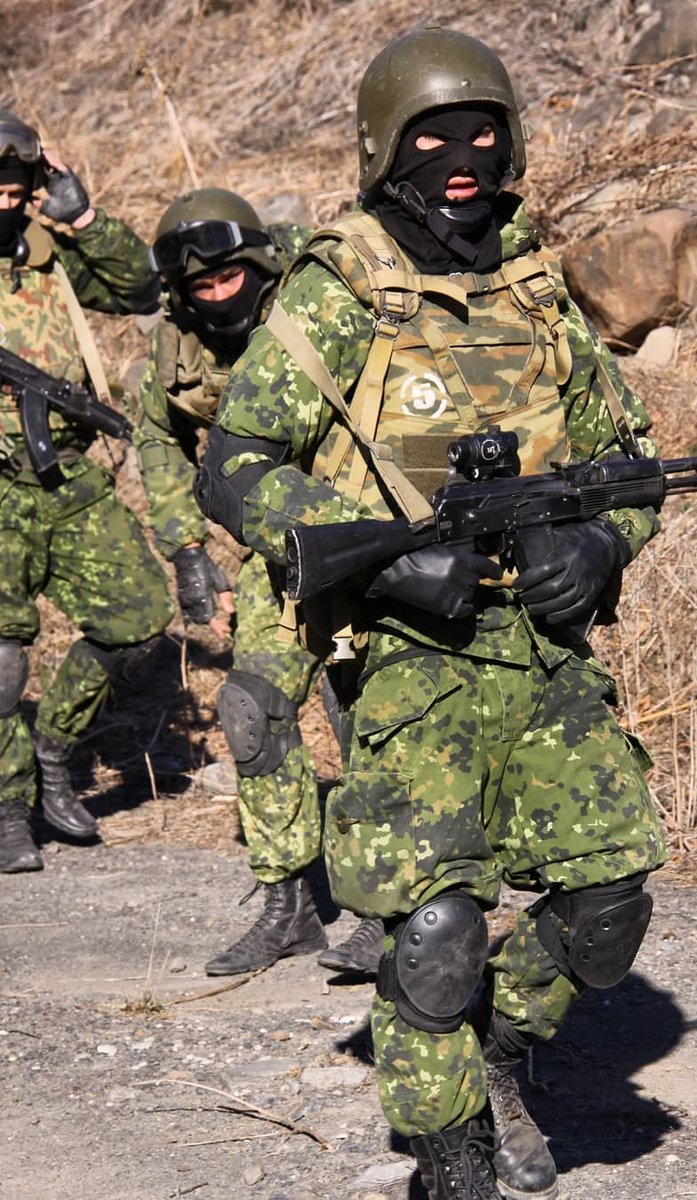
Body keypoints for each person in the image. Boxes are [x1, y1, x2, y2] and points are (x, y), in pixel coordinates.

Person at [196, 25, 668, 1200]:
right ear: (382, 147)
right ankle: (448, 1153)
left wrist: (600, 543)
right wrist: (382, 567)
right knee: (438, 932)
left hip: (546, 654)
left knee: (606, 909)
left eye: (483, 131)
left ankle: (501, 1058)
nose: (462, 156)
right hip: (409, 658)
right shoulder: (344, 282)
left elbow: (632, 460)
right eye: (432, 135)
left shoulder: (536, 285)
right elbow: (237, 458)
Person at [136, 187, 383, 978]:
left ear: (258, 264)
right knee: (250, 708)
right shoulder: (179, 346)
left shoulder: (320, 297)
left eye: (227, 279)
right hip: (276, 556)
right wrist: (185, 548)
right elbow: (158, 435)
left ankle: (395, 908)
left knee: (366, 718)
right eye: (198, 287)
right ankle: (290, 910)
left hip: (364, 540)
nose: (216, 297)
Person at [0, 108, 174, 874]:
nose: (4, 202)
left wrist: (86, 217)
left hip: (68, 473)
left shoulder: (50, 257)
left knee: (137, 618)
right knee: (3, 660)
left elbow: (140, 287)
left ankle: (52, 751)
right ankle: (7, 812)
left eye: (16, 188)